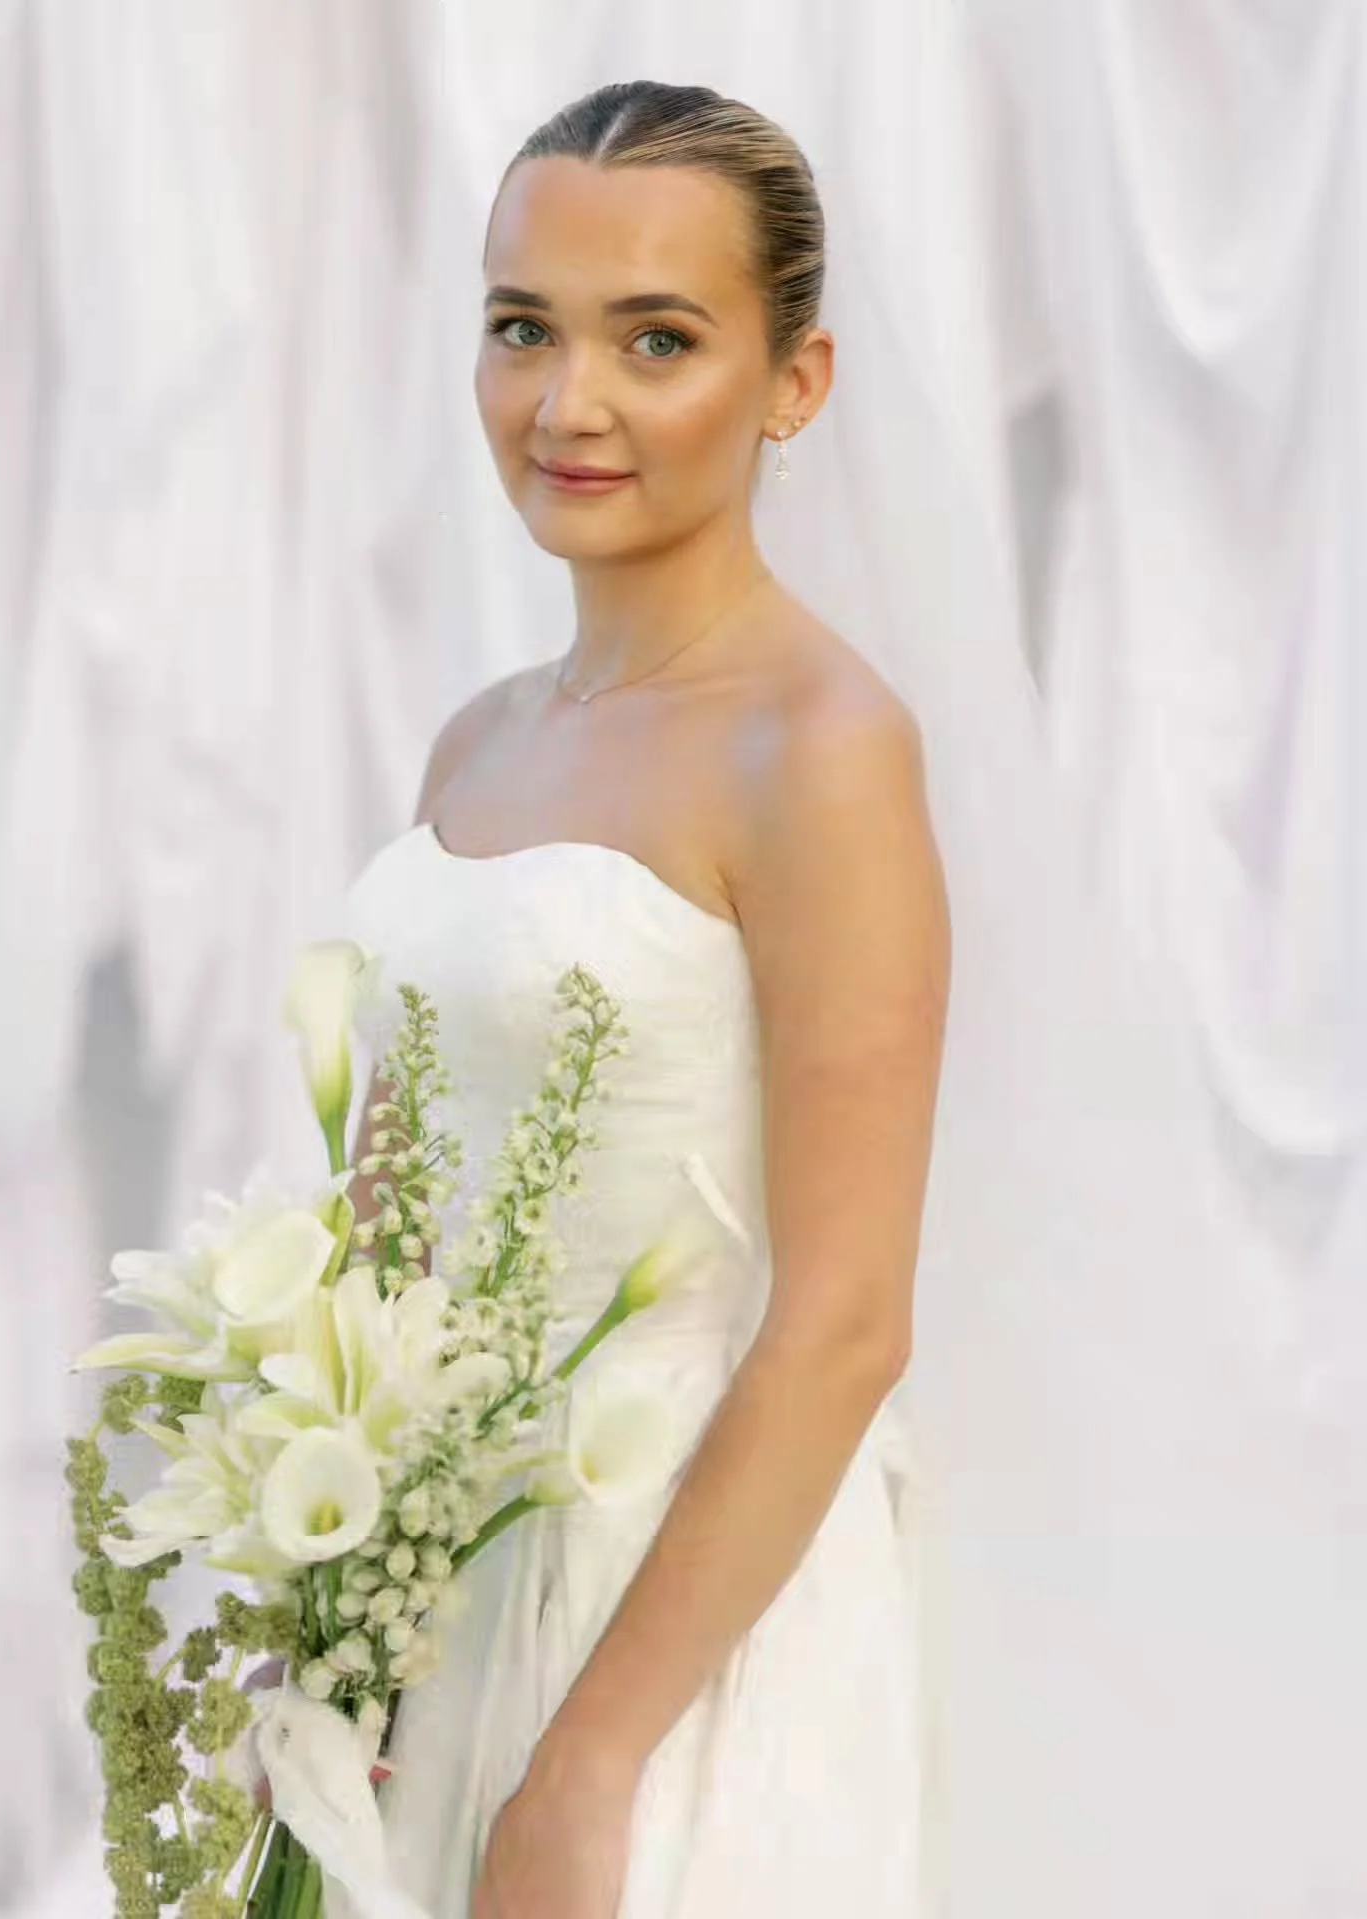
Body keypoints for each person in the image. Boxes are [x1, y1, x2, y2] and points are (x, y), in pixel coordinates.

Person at [340, 79, 949, 1919]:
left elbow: (846, 1321)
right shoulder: (480, 739)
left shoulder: (820, 751)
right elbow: (382, 1218)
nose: (566, 402)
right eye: (523, 327)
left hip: (676, 1616)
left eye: (655, 339)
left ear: (796, 383)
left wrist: (592, 1762)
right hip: (435, 1586)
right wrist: (336, 1604)